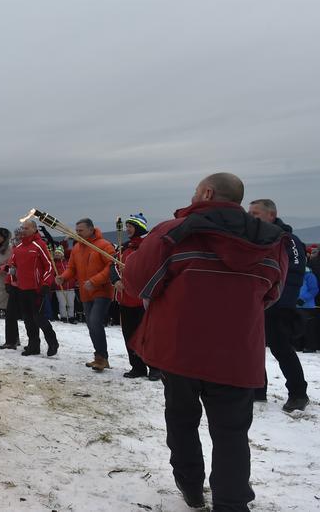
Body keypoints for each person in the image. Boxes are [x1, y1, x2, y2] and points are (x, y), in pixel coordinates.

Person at [123, 173, 288, 511]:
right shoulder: (272, 241)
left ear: (208, 193)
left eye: (196, 190)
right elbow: (271, 293)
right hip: (238, 352)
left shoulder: (174, 233)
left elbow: (137, 282)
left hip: (179, 349)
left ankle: (190, 486)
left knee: (181, 420)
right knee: (232, 432)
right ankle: (232, 502)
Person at [247, 199, 308, 411]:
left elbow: (295, 273)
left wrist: (285, 302)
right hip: (256, 302)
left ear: (271, 215)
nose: (250, 217)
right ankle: (257, 389)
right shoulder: (253, 237)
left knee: (281, 348)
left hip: (278, 303)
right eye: (249, 213)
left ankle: (298, 393)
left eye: (255, 213)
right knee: (253, 347)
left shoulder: (287, 239)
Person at [55, 218, 115, 371]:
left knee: (95, 322)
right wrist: (63, 277)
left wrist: (95, 281)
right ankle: (100, 357)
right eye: (76, 231)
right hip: (85, 292)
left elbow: (111, 266)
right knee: (91, 325)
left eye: (80, 230)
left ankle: (101, 357)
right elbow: (72, 268)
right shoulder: (77, 248)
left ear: (91, 229)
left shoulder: (104, 245)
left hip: (102, 291)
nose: (77, 233)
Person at [111, 213, 159, 380]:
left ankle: (155, 367)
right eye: (126, 226)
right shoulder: (124, 247)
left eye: (130, 226)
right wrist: (116, 280)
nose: (127, 229)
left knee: (147, 335)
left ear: (138, 227)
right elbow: (112, 265)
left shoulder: (148, 247)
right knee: (129, 335)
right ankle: (137, 367)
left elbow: (153, 269)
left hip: (143, 301)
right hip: (125, 300)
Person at [9, 220, 59, 356]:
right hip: (22, 288)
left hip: (37, 288)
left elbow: (49, 265)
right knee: (28, 319)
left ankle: (52, 342)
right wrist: (11, 281)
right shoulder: (18, 247)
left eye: (26, 228)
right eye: (22, 228)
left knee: (39, 317)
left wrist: (46, 283)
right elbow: (12, 266)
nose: (23, 230)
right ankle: (33, 345)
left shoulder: (39, 245)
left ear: (34, 229)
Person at [0, 227, 23, 350]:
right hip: (14, 285)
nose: (17, 237)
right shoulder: (13, 248)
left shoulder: (29, 247)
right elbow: (11, 265)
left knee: (32, 316)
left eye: (19, 234)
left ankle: (35, 343)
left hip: (27, 286)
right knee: (10, 314)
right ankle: (11, 340)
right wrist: (8, 281)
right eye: (16, 234)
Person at [52, 246, 75, 321]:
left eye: (59, 253)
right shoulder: (54, 264)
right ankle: (63, 317)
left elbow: (73, 272)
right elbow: (52, 275)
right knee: (62, 303)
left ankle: (71, 317)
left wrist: (74, 280)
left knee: (71, 303)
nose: (57, 254)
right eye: (56, 253)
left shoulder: (68, 262)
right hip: (60, 288)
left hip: (70, 287)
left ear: (62, 254)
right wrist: (55, 281)